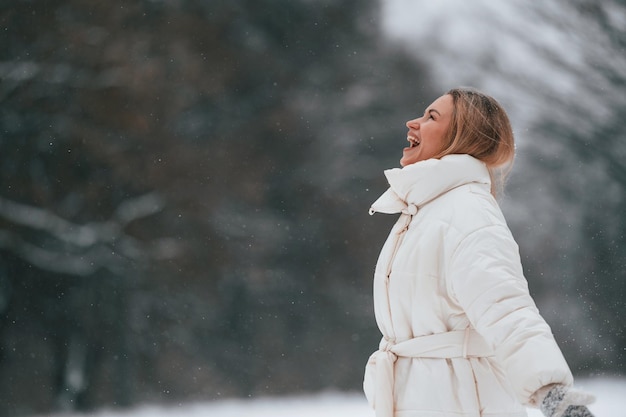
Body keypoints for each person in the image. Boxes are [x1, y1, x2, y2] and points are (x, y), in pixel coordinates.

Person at [363, 87, 596, 417]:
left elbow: (506, 309)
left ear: (462, 137)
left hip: (463, 402)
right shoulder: (422, 213)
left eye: (432, 117)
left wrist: (553, 394)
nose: (412, 123)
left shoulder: (467, 212)